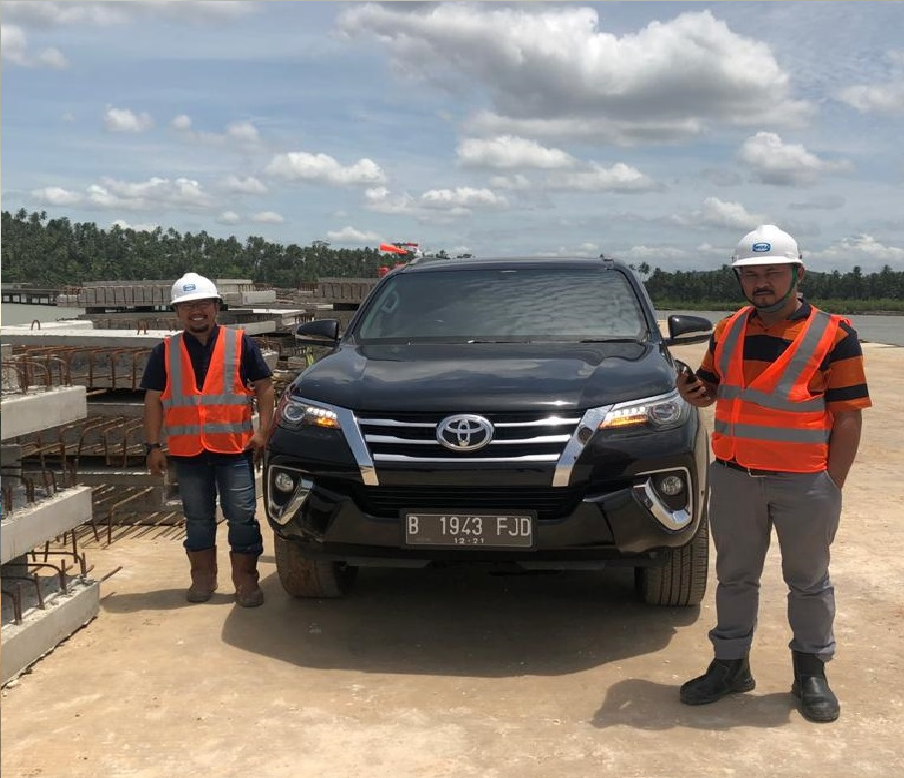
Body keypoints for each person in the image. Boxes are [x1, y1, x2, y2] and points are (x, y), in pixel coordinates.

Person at [677, 225, 871, 723]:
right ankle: (730, 666)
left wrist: (832, 482)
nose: (761, 282)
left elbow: (848, 415)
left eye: (772, 273)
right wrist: (695, 392)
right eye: (750, 274)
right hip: (735, 477)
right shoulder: (728, 330)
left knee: (808, 581)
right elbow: (714, 389)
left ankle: (810, 672)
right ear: (739, 279)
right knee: (734, 577)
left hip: (804, 482)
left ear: (797, 274)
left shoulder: (835, 334)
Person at [141, 273, 275, 607]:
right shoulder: (165, 351)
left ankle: (245, 580)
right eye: (187, 306)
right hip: (188, 453)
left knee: (241, 516)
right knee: (197, 518)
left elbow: (264, 387)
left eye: (202, 304)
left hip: (234, 449)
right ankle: (203, 577)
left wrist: (263, 432)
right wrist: (153, 446)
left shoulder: (240, 343)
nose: (196, 311)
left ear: (216, 307)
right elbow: (153, 400)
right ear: (177, 312)